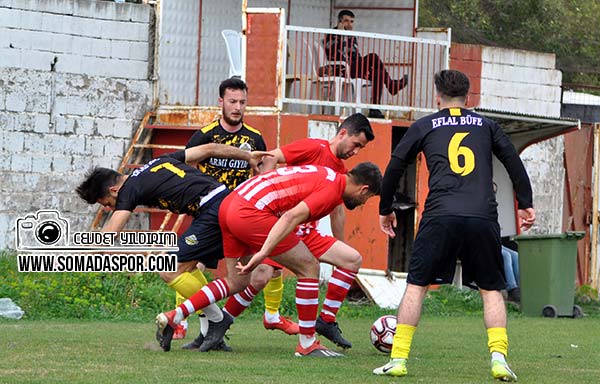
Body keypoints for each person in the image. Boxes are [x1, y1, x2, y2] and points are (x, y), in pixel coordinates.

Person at [374, 69, 535, 381]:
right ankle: (499, 359)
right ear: (468, 98)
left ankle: (398, 359)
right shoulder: (487, 126)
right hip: (482, 215)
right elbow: (513, 161)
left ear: (438, 97)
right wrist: (525, 203)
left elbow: (395, 165)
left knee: (417, 286)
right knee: (491, 290)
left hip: (439, 215)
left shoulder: (425, 125)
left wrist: (386, 207)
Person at [156, 162, 382, 357]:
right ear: (364, 189)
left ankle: (174, 315)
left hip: (231, 205)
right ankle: (307, 344)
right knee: (309, 267)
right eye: (368, 198)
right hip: (252, 213)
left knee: (237, 281)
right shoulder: (332, 189)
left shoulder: (326, 174)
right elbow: (292, 216)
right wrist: (264, 252)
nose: (364, 202)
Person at [75, 144, 270, 352]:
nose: (107, 208)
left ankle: (218, 320)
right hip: (225, 201)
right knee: (189, 269)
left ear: (113, 189)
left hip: (214, 210)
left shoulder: (128, 189)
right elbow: (210, 149)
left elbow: (110, 235)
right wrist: (247, 156)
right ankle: (209, 334)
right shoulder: (158, 162)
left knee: (169, 269)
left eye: (104, 202)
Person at [222, 112, 374, 349]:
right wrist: (266, 192)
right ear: (343, 133)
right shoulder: (313, 148)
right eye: (356, 145)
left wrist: (340, 242)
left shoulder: (343, 173)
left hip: (307, 232)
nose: (355, 152)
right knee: (259, 278)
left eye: (361, 149)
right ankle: (221, 324)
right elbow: (272, 156)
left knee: (351, 259)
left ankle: (325, 321)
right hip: (279, 225)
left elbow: (337, 211)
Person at [174, 77, 276, 346]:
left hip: (241, 218)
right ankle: (186, 325)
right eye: (232, 101)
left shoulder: (254, 139)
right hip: (209, 216)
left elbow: (262, 176)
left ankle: (219, 328)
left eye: (242, 102)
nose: (237, 107)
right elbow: (184, 169)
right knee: (189, 268)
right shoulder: (204, 136)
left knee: (256, 273)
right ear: (221, 102)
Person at [323, 9, 409, 118]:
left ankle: (374, 109)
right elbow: (335, 53)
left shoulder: (352, 36)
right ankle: (391, 85)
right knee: (373, 56)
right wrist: (342, 34)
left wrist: (365, 66)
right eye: (346, 21)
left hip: (354, 68)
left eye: (352, 21)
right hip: (341, 70)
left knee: (379, 73)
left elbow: (356, 55)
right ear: (339, 22)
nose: (350, 24)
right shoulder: (332, 34)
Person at [502, 238, 520, 303]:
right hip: (484, 244)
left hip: (495, 242)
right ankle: (511, 289)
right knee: (506, 255)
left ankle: (519, 287)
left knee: (516, 255)